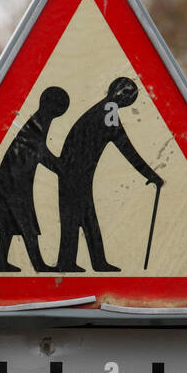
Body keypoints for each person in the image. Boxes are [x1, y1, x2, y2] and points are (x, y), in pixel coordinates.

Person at [53, 77, 163, 272]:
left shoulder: (104, 110)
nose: (127, 100)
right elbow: (127, 149)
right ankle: (75, 262)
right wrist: (151, 175)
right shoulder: (108, 112)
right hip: (73, 174)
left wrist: (151, 175)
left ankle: (84, 262)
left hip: (75, 173)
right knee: (80, 218)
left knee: (83, 218)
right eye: (127, 95)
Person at [0, 86, 69, 272]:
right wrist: (60, 168)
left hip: (14, 178)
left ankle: (1, 262)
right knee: (26, 223)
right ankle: (38, 264)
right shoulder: (40, 121)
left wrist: (57, 166)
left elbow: (37, 151)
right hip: (15, 181)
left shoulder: (39, 119)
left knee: (9, 222)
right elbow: (39, 151)